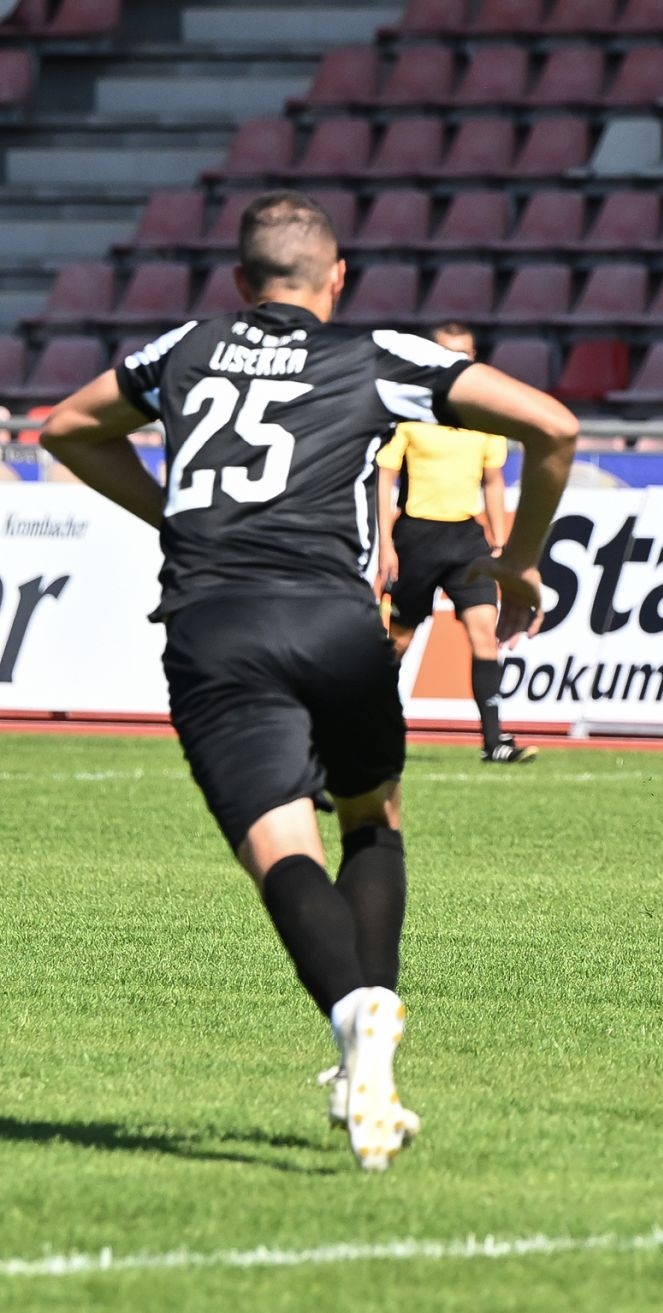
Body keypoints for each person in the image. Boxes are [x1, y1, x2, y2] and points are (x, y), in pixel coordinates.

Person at [38, 191, 580, 1169]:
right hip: (336, 624)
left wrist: (174, 515)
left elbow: (68, 428)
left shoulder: (187, 347)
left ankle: (352, 1014)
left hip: (215, 626)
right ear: (338, 278)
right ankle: (368, 1054)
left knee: (280, 844)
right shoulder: (378, 352)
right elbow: (554, 425)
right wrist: (520, 562)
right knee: (371, 817)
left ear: (239, 282)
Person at [375, 320, 533, 764]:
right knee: (399, 641)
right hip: (417, 536)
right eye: (447, 353)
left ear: (474, 358)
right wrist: (386, 543)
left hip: (466, 538)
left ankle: (494, 741)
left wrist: (500, 544)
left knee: (484, 631)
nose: (455, 362)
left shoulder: (485, 418)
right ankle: (375, 730)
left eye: (462, 355)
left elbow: (493, 480)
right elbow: (385, 476)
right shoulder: (410, 412)